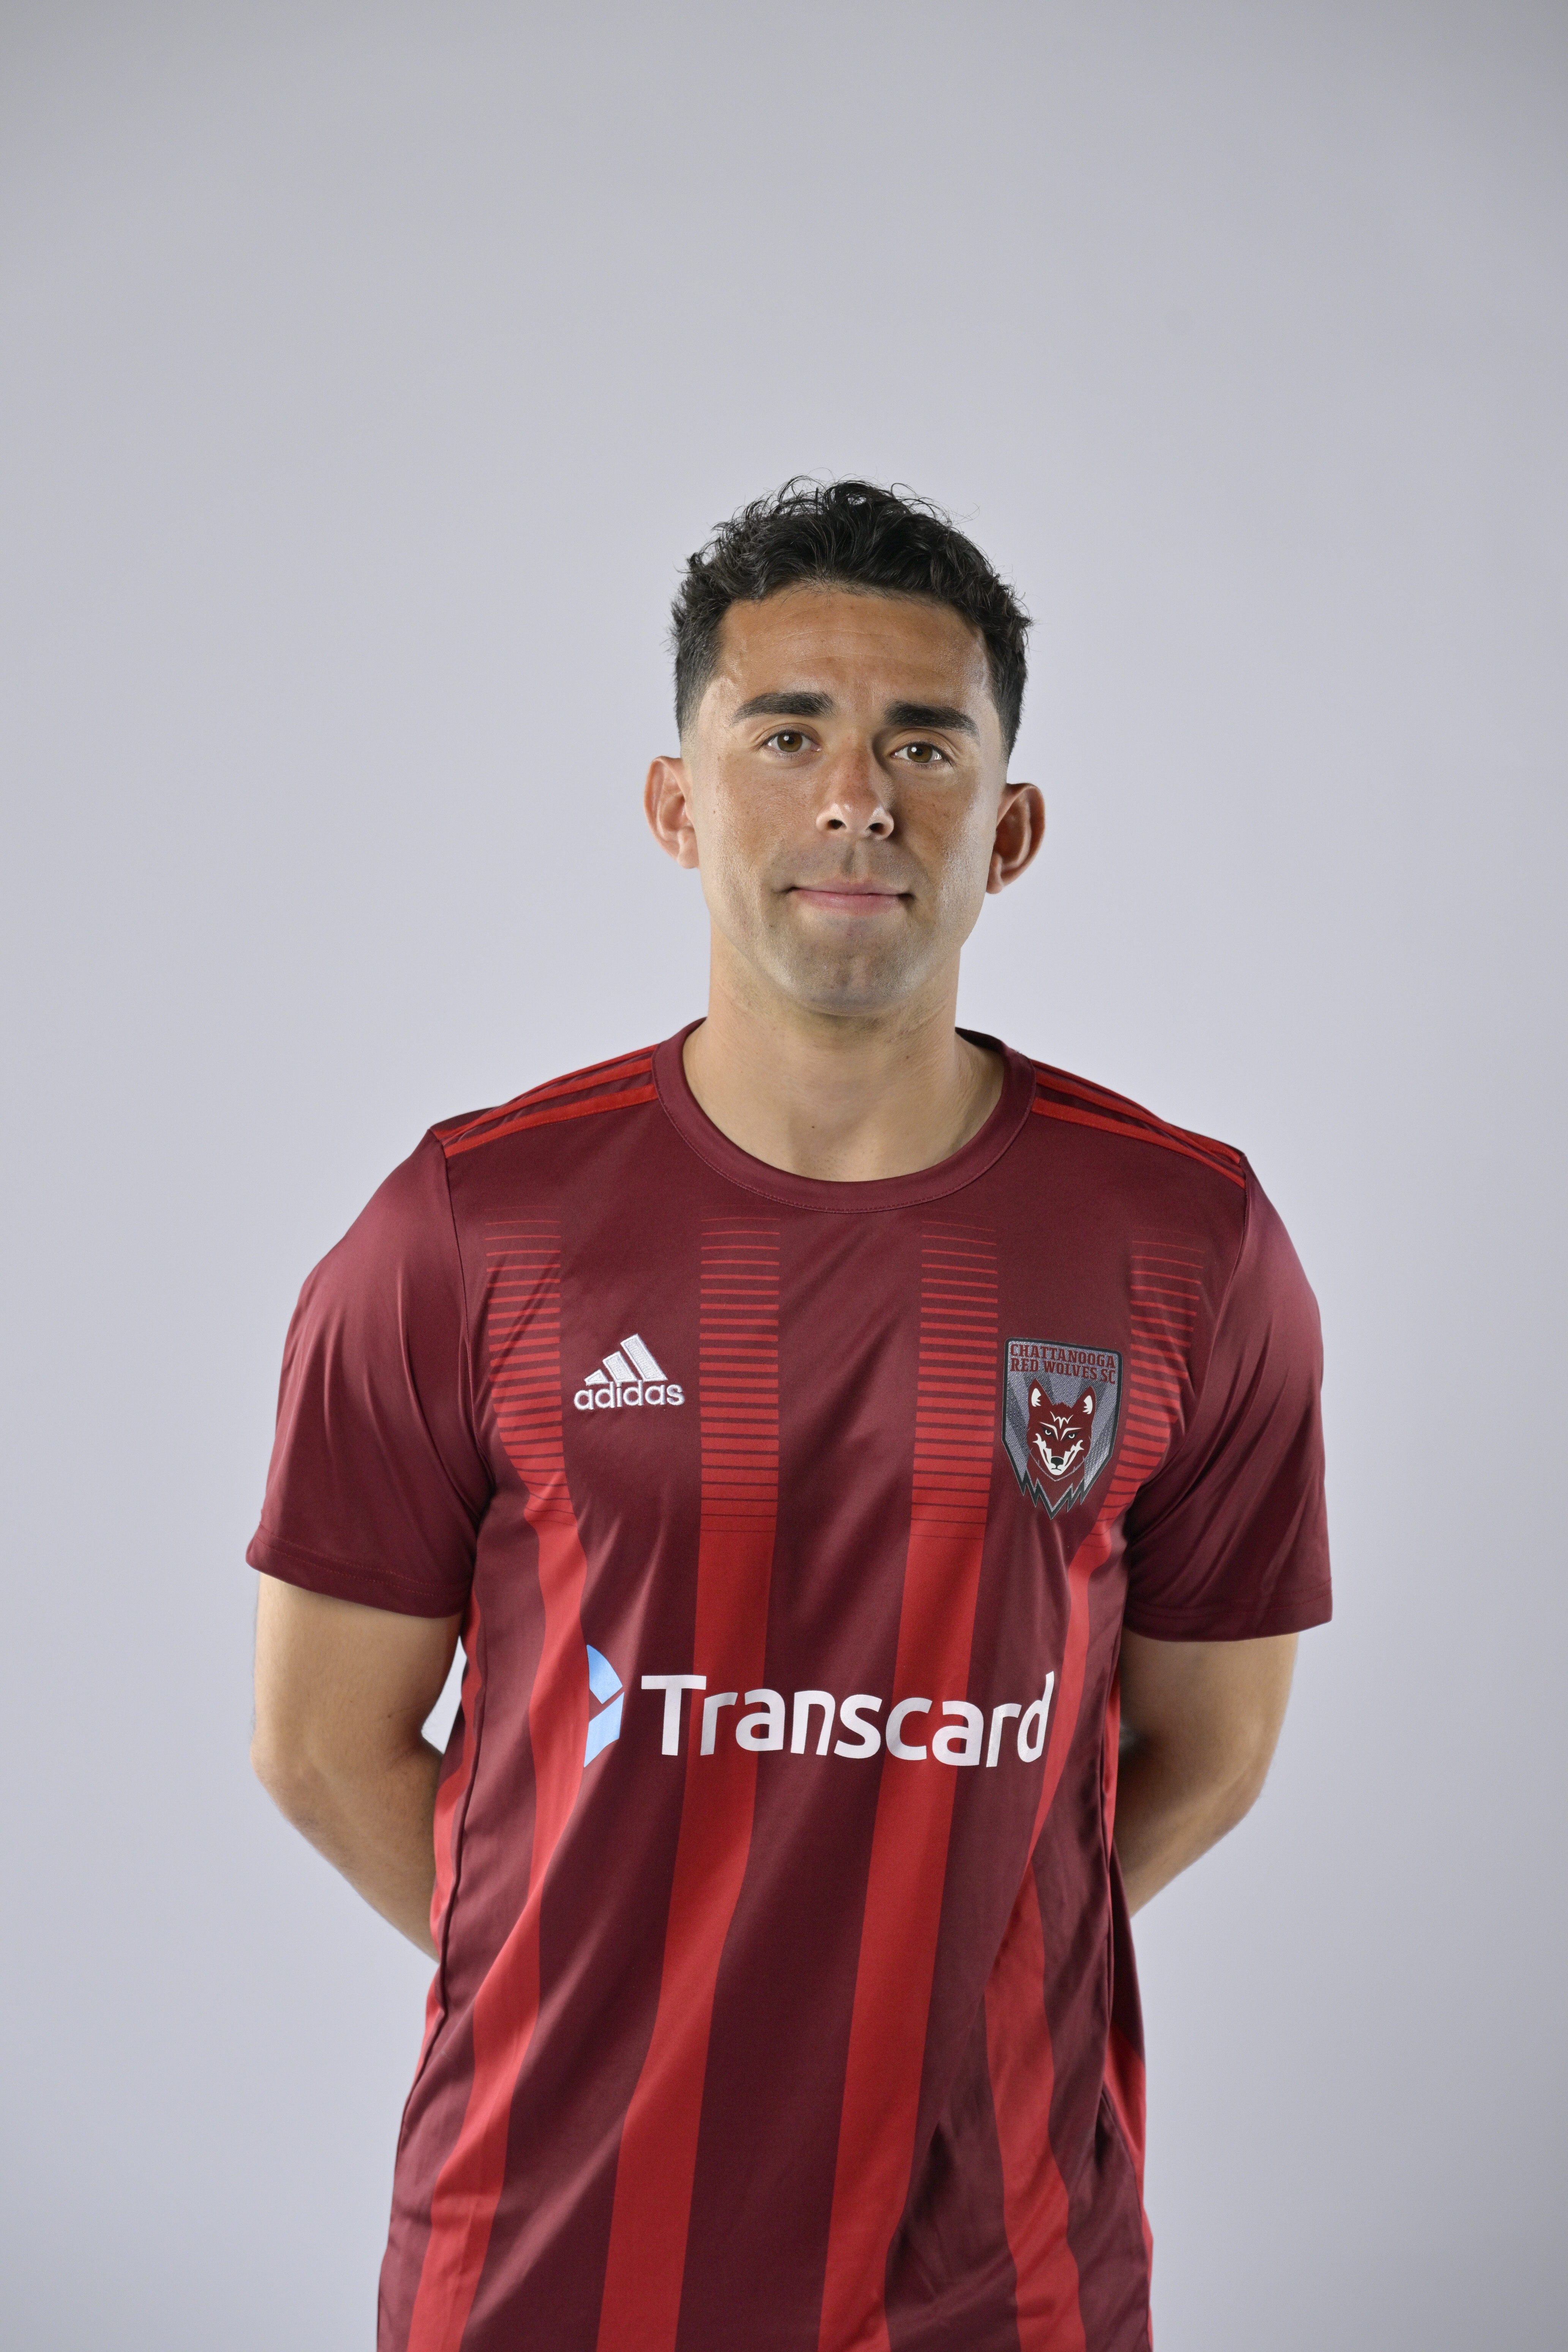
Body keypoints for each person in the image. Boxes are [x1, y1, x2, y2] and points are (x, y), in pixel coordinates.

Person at [249, 479, 1330, 2352]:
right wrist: (625, 1987)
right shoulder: (468, 1230)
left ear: (1010, 828)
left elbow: (1210, 1746)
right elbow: (321, 1745)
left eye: (923, 744)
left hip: (1006, 2282)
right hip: (544, 2269)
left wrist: (930, 1970)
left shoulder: (1190, 1243)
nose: (857, 800)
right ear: (676, 805)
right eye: (786, 735)